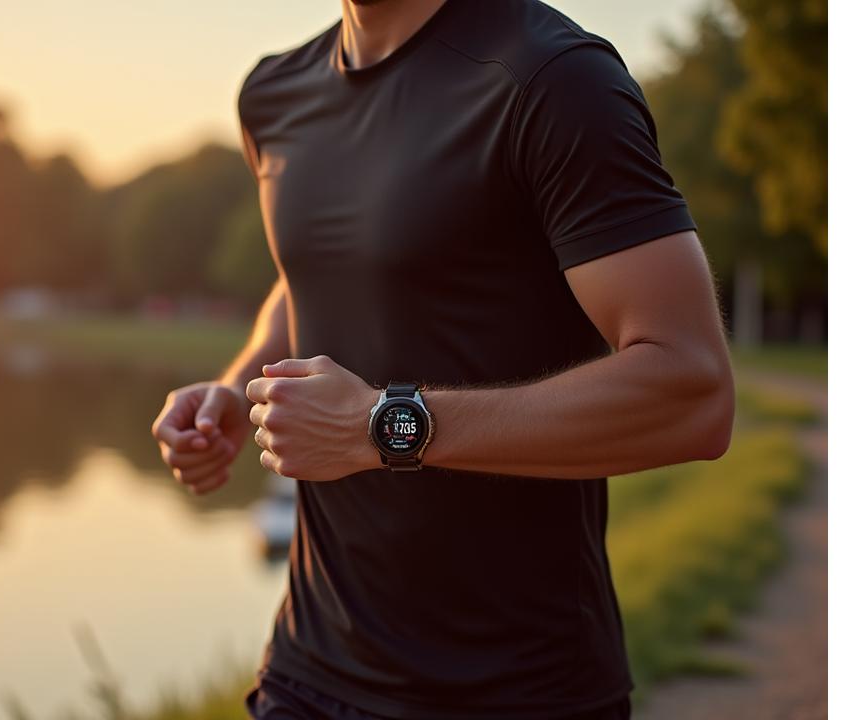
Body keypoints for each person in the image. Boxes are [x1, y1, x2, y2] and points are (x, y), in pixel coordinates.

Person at [149, 0, 735, 717]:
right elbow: (311, 275)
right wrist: (236, 389)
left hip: (519, 691)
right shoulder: (272, 96)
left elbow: (692, 392)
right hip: (308, 673)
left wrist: (383, 425)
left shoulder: (552, 79)